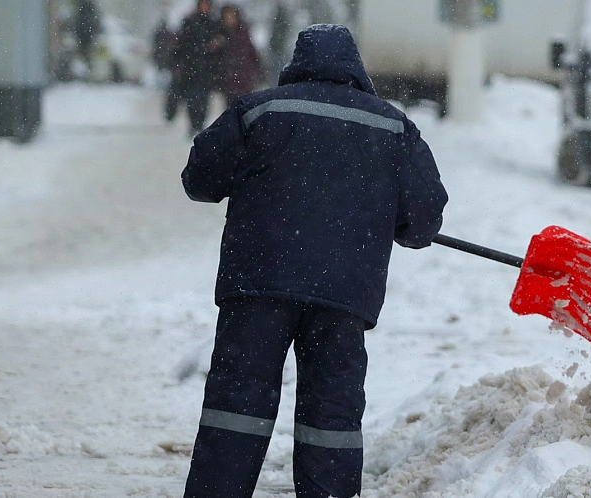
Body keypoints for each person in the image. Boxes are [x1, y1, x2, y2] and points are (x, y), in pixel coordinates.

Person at [180, 23, 448, 498]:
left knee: (236, 409)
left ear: (297, 63)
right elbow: (425, 219)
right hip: (343, 296)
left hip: (258, 285)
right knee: (331, 418)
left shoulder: (259, 110)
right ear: (355, 69)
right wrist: (397, 219)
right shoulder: (392, 126)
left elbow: (199, 178)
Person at [172, 0, 222, 135]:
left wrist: (214, 47)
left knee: (204, 99)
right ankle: (193, 124)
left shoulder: (214, 23)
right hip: (191, 68)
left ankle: (200, 124)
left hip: (207, 69)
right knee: (192, 99)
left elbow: (220, 45)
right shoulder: (190, 22)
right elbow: (182, 45)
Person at [215, 4, 264, 105]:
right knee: (231, 108)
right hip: (228, 79)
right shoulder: (220, 32)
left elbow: (251, 52)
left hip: (244, 78)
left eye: (231, 15)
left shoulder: (243, 32)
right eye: (227, 16)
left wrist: (260, 71)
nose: (229, 19)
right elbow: (216, 58)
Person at [73, 0, 102, 73]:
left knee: (84, 55)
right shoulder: (90, 8)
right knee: (87, 55)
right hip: (87, 36)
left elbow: (77, 22)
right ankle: (87, 69)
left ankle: (86, 70)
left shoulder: (81, 8)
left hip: (83, 37)